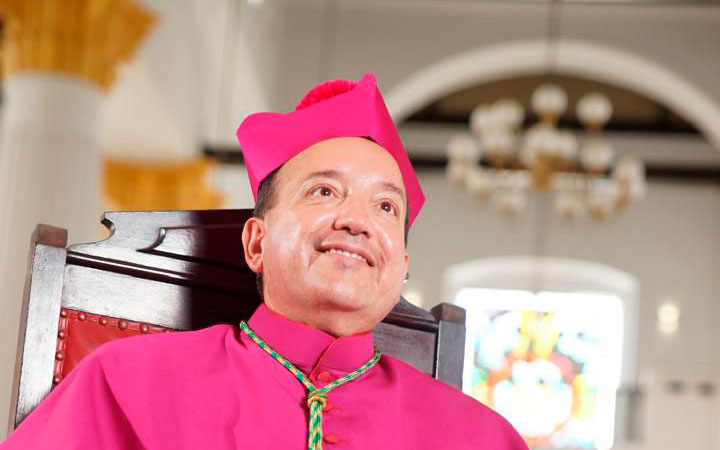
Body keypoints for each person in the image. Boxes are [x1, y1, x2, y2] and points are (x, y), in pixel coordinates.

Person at [1, 73, 528, 449]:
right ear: (255, 242)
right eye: (325, 192)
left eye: (386, 206)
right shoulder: (122, 383)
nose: (358, 220)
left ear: (401, 265)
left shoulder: (483, 436)